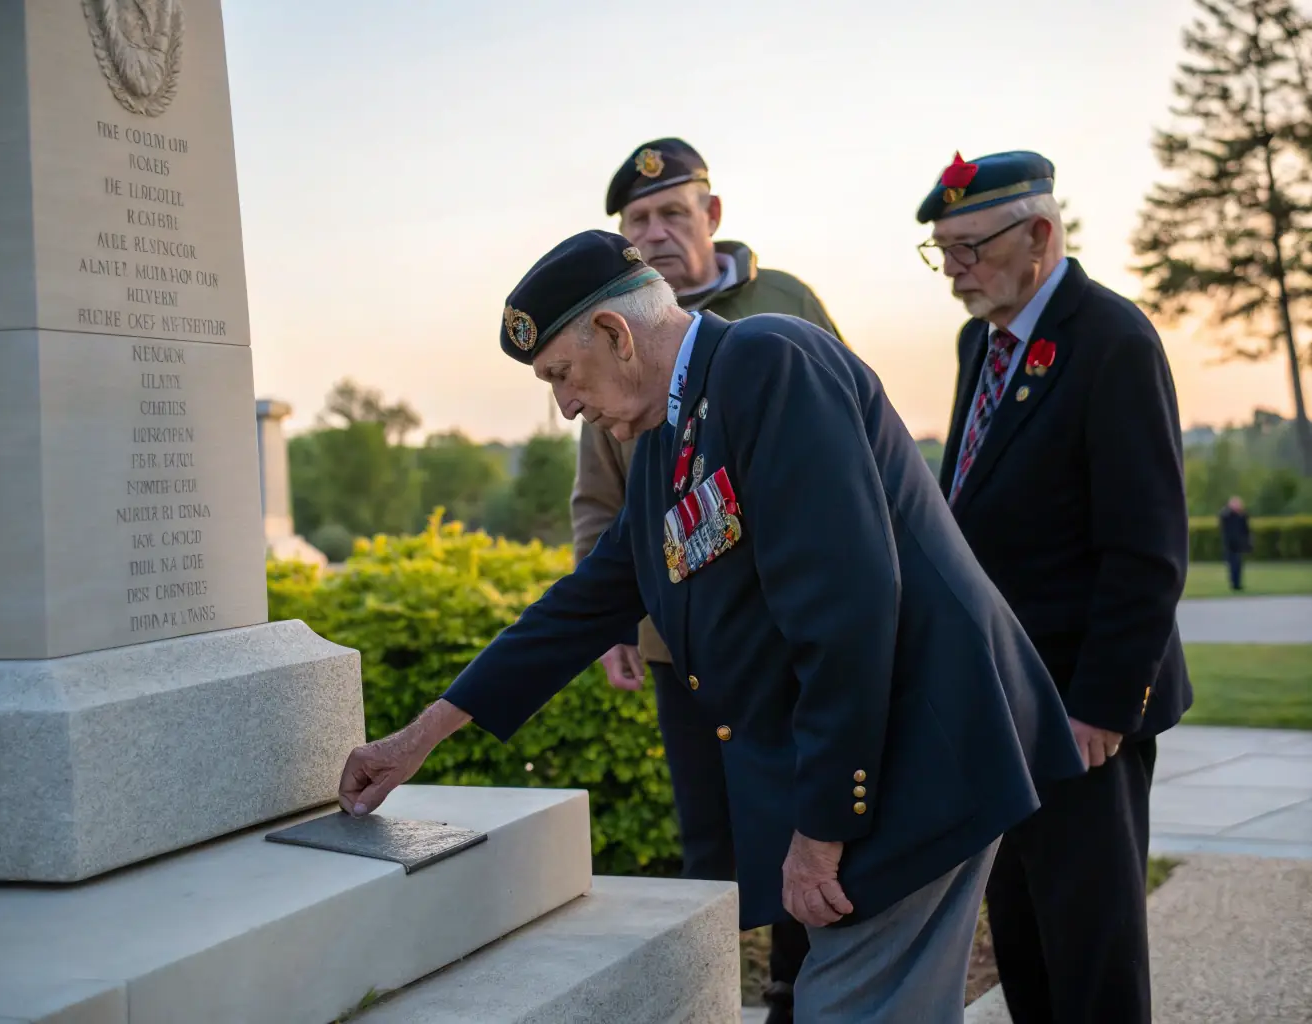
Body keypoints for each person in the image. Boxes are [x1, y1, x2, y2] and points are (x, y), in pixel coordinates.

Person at [339, 229, 1084, 1023]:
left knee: (848, 1006)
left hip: (919, 752)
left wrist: (823, 828)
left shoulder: (769, 361)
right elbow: (585, 602)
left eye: (561, 373)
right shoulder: (670, 432)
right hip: (891, 754)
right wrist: (419, 736)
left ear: (616, 335)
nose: (564, 405)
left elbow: (848, 613)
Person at [917, 150, 1193, 1023]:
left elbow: (1146, 547)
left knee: (1092, 952)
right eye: (940, 253)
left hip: (1082, 709)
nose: (954, 273)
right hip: (1007, 700)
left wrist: (1102, 707)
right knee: (1026, 940)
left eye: (967, 249)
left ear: (1037, 233)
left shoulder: (1109, 337)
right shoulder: (982, 340)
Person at [571, 136, 842, 1021]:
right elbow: (599, 503)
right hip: (673, 639)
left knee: (806, 816)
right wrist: (610, 619)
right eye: (636, 221)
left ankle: (793, 989)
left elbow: (838, 438)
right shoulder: (600, 331)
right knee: (710, 835)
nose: (652, 234)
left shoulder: (780, 307)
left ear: (711, 216)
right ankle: (706, 993)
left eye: (670, 214)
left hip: (780, 632)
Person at [1219, 496, 1252, 590]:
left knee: (1238, 564)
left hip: (1239, 544)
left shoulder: (1242, 516)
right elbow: (1222, 519)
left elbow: (1246, 529)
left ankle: (1238, 583)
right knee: (1232, 564)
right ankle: (1234, 584)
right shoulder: (1226, 515)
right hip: (1230, 544)